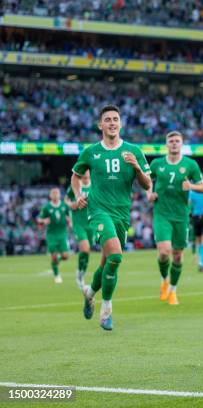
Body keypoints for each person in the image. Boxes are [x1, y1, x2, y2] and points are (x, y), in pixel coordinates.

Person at [71, 105, 151, 331]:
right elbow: (75, 177)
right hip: (98, 211)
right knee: (115, 257)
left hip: (121, 214)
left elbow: (147, 185)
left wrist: (136, 167)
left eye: (115, 119)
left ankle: (89, 292)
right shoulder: (90, 151)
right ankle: (106, 309)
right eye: (107, 119)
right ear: (100, 125)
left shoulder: (134, 150)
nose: (112, 123)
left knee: (107, 263)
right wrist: (78, 196)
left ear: (121, 123)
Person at [147, 131, 203, 305]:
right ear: (166, 144)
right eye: (171, 141)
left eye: (177, 141)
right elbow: (146, 180)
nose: (174, 143)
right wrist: (149, 193)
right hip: (161, 214)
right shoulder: (157, 164)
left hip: (181, 216)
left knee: (178, 256)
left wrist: (191, 186)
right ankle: (164, 280)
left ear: (182, 144)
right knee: (164, 252)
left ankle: (173, 290)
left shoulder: (190, 164)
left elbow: (202, 187)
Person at [65, 170, 94, 289]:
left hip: (91, 223)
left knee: (87, 252)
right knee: (85, 249)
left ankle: (82, 272)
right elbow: (66, 199)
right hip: (79, 223)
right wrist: (71, 204)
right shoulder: (76, 185)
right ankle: (80, 274)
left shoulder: (95, 185)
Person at [37, 188, 71, 284]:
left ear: (60, 194)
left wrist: (70, 221)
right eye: (53, 193)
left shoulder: (64, 206)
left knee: (65, 256)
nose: (55, 195)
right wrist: (44, 221)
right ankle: (57, 276)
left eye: (57, 193)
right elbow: (39, 220)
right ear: (50, 195)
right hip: (51, 234)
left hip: (62, 233)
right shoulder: (46, 207)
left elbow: (70, 216)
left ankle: (56, 263)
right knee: (54, 256)